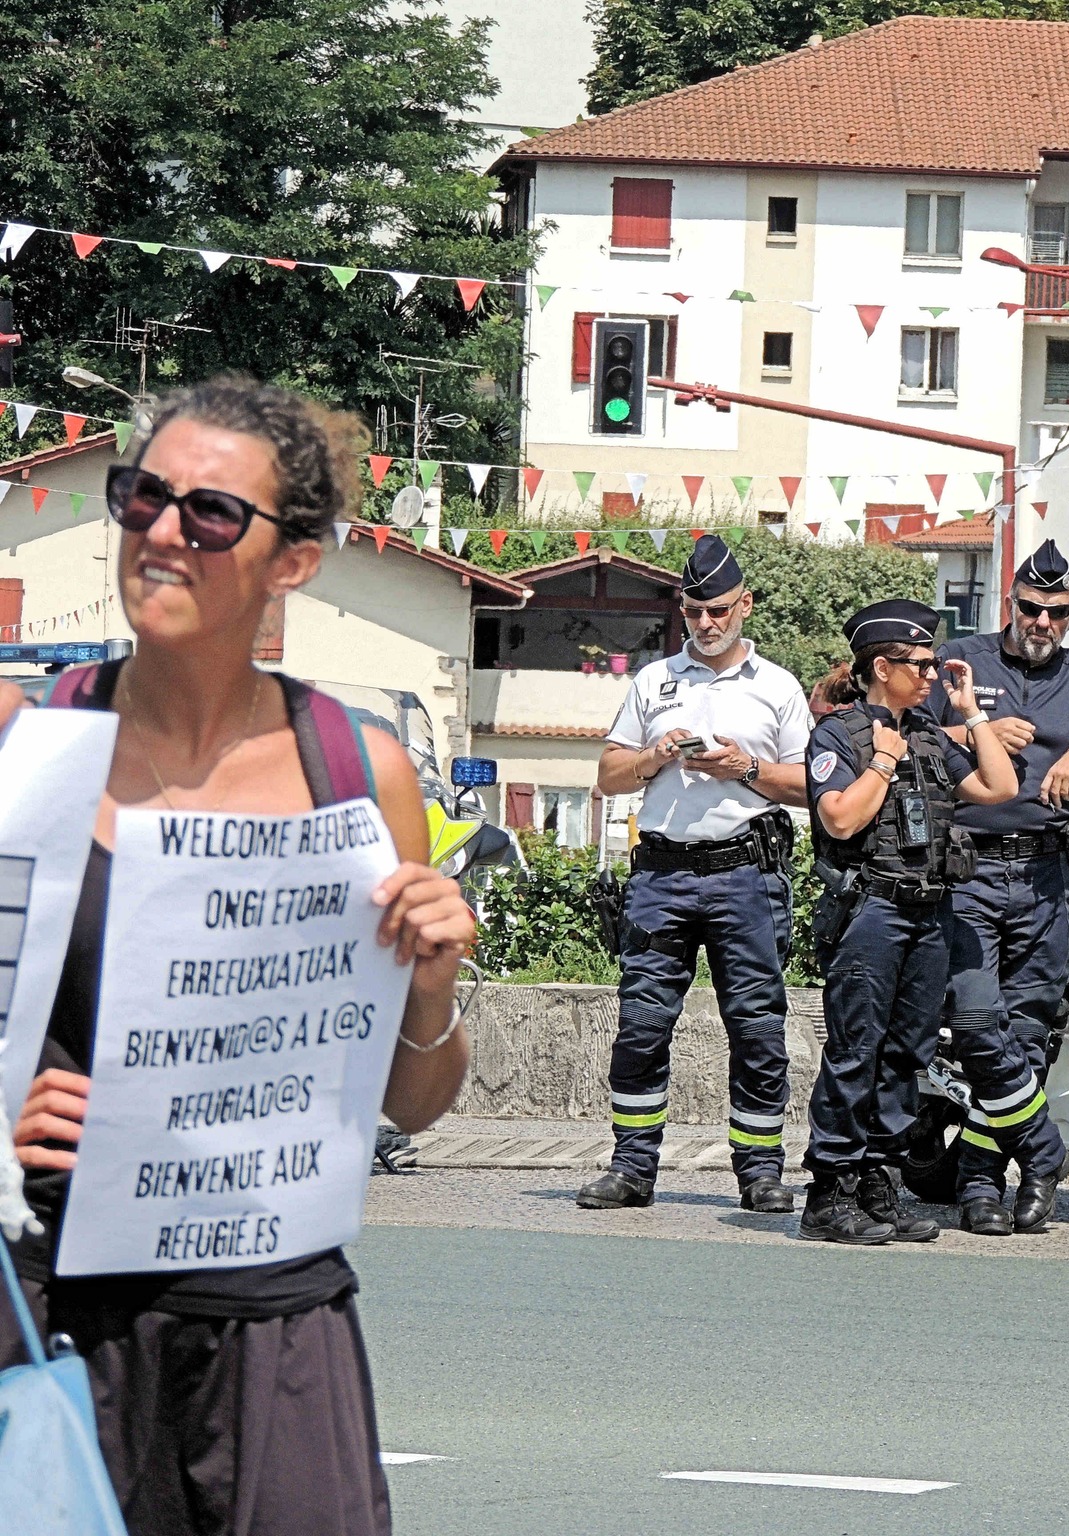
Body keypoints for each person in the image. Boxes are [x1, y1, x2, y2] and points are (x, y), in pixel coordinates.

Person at [0, 375, 474, 1535]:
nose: (163, 534)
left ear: (294, 560)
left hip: (278, 1328)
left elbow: (412, 1106)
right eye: (141, 497)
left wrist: (428, 984)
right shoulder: (30, 749)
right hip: (60, 1313)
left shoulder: (360, 772)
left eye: (210, 513)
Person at [925, 540, 1069, 1235]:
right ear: (1011, 603)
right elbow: (905, 732)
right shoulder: (965, 659)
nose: (1042, 623)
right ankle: (1041, 1150)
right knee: (976, 1021)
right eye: (1031, 609)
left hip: (1045, 872)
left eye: (1057, 613)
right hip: (967, 865)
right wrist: (977, 728)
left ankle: (982, 1179)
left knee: (1028, 1029)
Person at [580, 535, 813, 1213]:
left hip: (747, 871)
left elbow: (810, 786)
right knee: (642, 1025)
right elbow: (607, 774)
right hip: (661, 874)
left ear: (745, 606)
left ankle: (760, 1170)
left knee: (757, 1027)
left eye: (718, 611)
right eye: (694, 612)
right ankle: (632, 1167)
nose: (706, 624)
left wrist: (745, 769)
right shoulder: (654, 682)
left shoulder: (777, 687)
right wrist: (654, 756)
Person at [799, 601, 1018, 1243]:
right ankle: (829, 1194)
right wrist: (882, 762)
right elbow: (840, 818)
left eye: (930, 663)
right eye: (917, 664)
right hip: (871, 911)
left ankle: (878, 1184)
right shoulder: (839, 735)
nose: (929, 675)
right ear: (880, 666)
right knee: (855, 1052)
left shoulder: (927, 733)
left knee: (907, 1055)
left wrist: (972, 712)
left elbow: (999, 788)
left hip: (930, 912)